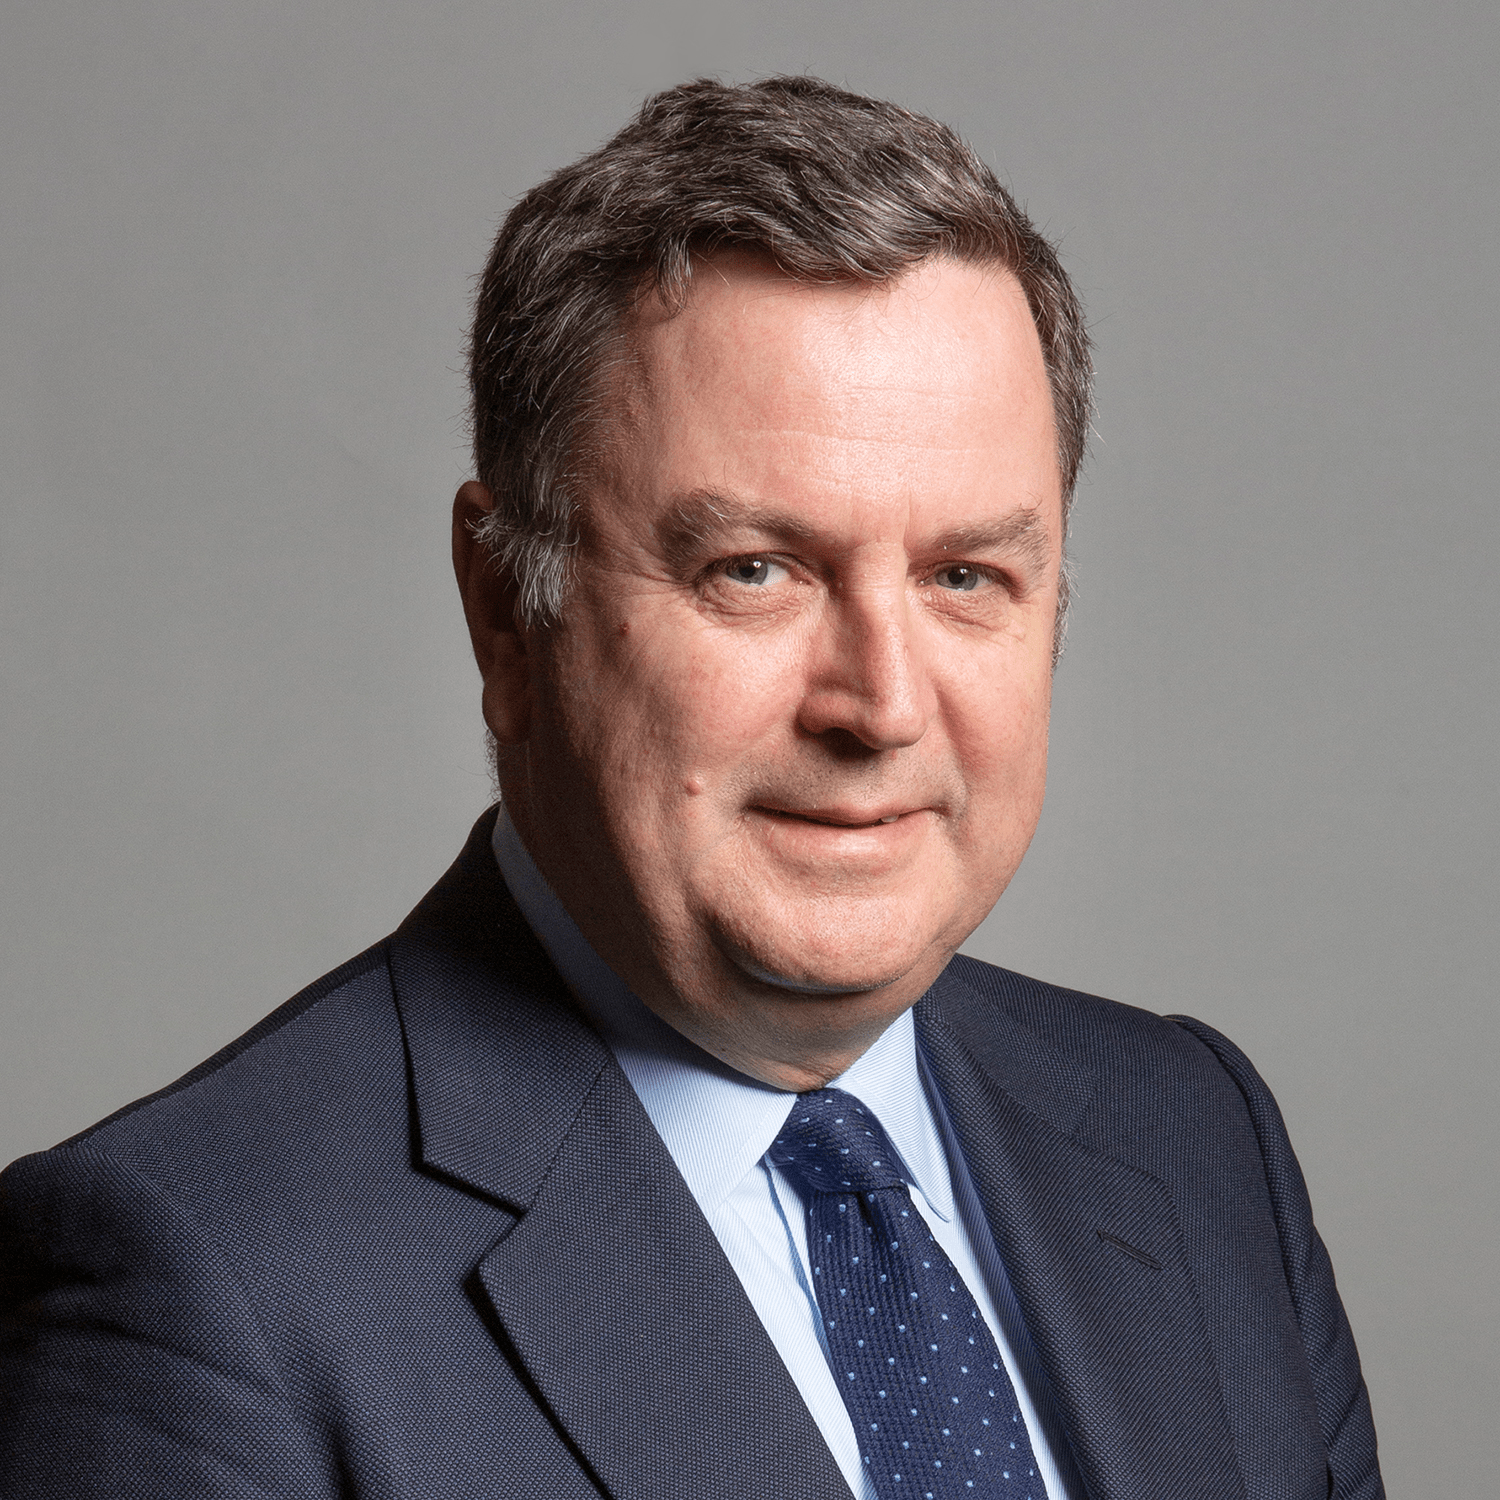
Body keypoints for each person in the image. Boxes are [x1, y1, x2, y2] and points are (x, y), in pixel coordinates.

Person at [0, 76, 1383, 1500]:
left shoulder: (1193, 1136)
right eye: (755, 571)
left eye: (965, 576)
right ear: (505, 613)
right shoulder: (202, 1286)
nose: (883, 706)